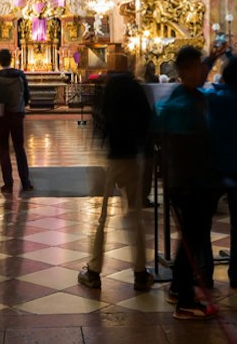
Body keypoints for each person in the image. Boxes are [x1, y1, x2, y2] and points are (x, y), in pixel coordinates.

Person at [78, 53, 154, 292]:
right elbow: (147, 121)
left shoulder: (107, 89)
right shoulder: (137, 89)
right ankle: (140, 274)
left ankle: (94, 271)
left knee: (102, 218)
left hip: (111, 158)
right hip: (132, 157)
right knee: (135, 216)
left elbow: (100, 121)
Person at [157, 44, 219, 320]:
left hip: (186, 180)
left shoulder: (185, 96)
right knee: (191, 241)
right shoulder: (185, 104)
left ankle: (177, 288)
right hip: (189, 182)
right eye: (197, 68)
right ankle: (184, 300)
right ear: (185, 71)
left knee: (190, 239)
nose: (202, 72)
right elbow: (191, 148)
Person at [203, 53, 237, 288]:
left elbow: (197, 85)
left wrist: (212, 58)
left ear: (223, 76)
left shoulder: (214, 96)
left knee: (204, 220)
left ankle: (206, 272)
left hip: (215, 165)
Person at [0, 49, 34, 192]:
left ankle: (8, 183)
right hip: (17, 114)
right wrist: (20, 106)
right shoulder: (20, 75)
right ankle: (25, 182)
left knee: (3, 149)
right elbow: (26, 96)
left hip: (0, 116)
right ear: (11, 60)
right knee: (19, 148)